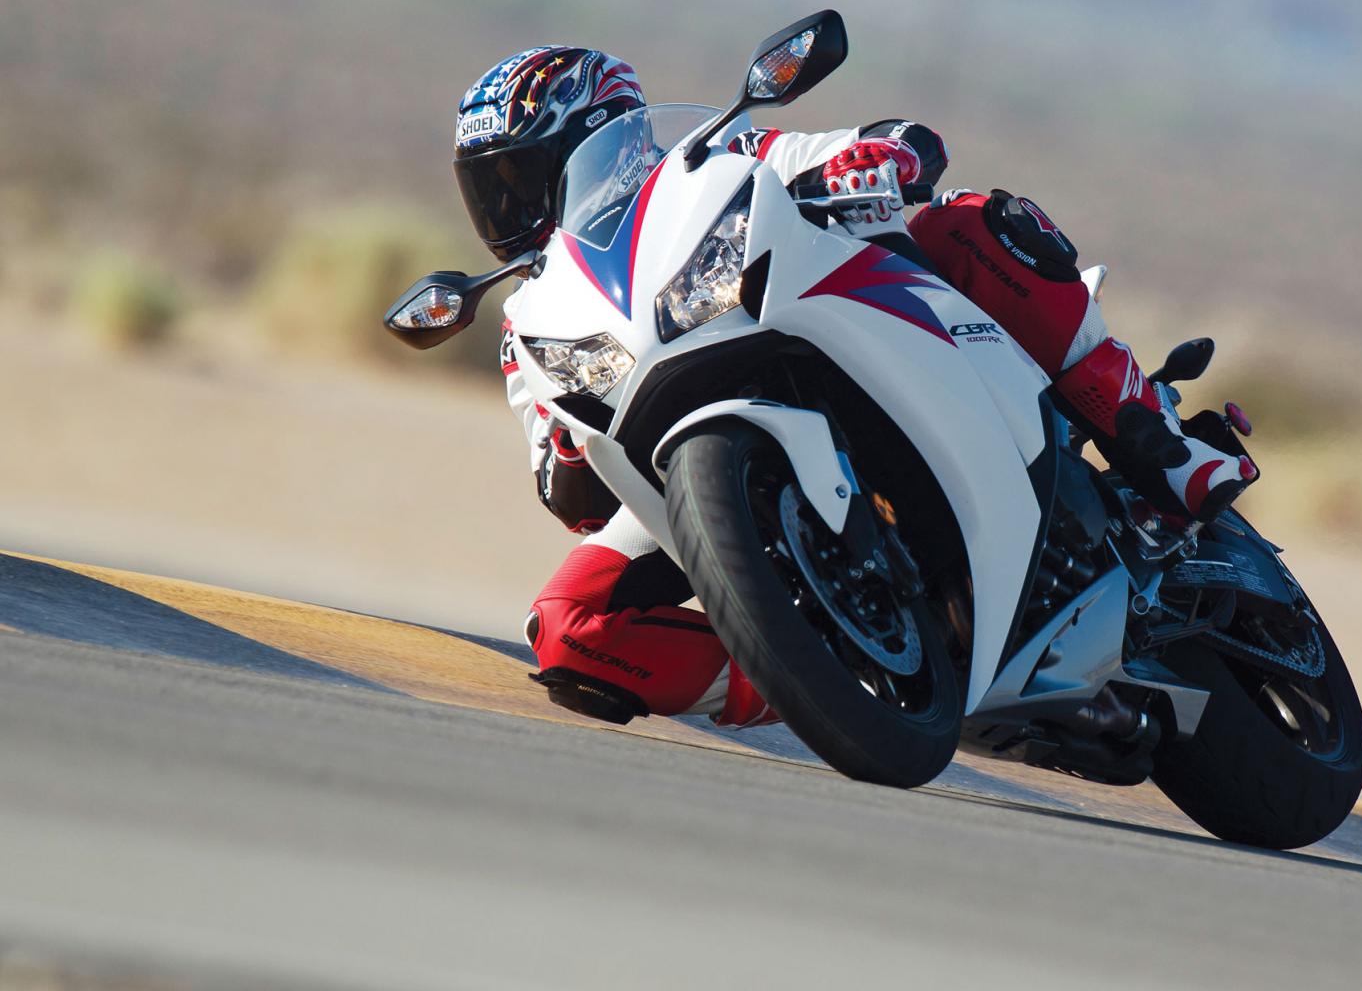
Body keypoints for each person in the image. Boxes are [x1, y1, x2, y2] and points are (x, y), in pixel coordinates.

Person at [451, 45, 1257, 726]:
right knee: (568, 627)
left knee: (969, 222)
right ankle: (814, 677)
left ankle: (1165, 449)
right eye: (491, 189)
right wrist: (572, 436)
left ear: (608, 140)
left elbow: (896, 143)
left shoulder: (715, 164)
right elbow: (567, 494)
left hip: (831, 331)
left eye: (523, 177)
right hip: (683, 454)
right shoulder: (532, 322)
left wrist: (880, 156)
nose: (508, 207)